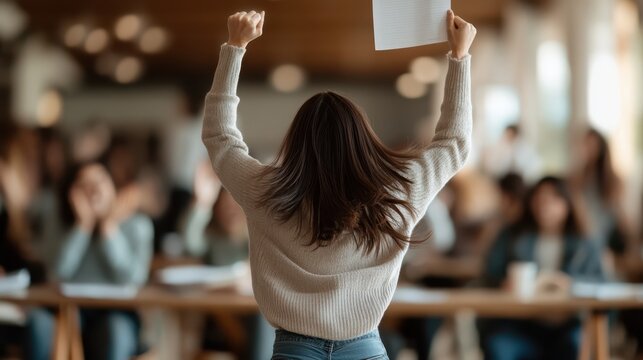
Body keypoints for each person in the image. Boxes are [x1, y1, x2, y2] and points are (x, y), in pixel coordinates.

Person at [202, 9, 475, 358]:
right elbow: (455, 142)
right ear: (363, 141)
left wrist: (234, 46)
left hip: (293, 349)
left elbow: (219, 136)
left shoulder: (266, 192)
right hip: (365, 349)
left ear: (297, 144)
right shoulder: (398, 191)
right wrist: (459, 56)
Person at [25, 162, 153, 360]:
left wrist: (107, 228)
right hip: (66, 310)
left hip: (116, 313)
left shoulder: (138, 225)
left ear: (113, 186)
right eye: (84, 184)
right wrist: (83, 226)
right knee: (38, 322)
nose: (94, 189)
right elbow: (56, 273)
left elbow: (133, 279)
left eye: (100, 181)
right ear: (72, 193)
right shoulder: (60, 223)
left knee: (115, 331)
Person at [480, 177, 604, 360]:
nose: (544, 206)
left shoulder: (584, 242)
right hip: (520, 322)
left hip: (567, 324)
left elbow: (603, 283)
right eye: (539, 199)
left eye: (554, 199)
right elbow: (489, 274)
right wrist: (503, 284)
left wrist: (571, 284)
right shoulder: (512, 235)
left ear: (568, 203)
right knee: (498, 344)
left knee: (576, 344)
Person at [182, 159, 274, 359]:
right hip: (218, 321)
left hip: (253, 318)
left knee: (262, 321)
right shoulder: (212, 241)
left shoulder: (256, 237)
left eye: (235, 206)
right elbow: (190, 242)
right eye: (224, 206)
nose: (230, 212)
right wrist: (202, 203)